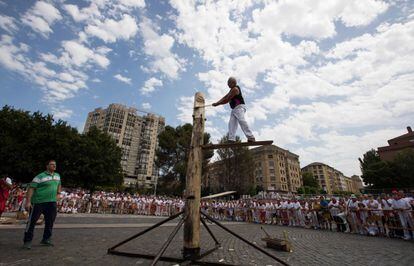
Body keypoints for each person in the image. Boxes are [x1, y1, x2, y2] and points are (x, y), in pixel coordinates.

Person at [23, 160, 61, 249]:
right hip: (38, 202)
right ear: (47, 166)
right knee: (32, 222)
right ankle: (27, 241)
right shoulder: (40, 176)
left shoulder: (57, 176)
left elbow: (59, 184)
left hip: (52, 202)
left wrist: (58, 193)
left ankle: (46, 239)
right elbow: (31, 188)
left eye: (55, 164)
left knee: (50, 221)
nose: (54, 166)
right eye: (52, 164)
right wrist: (28, 202)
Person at [212, 77, 255, 142]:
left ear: (233, 83)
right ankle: (231, 139)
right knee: (231, 123)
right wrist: (217, 102)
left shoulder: (235, 89)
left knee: (241, 120)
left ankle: (251, 137)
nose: (227, 84)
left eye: (228, 83)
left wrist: (217, 104)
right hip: (234, 109)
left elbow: (226, 100)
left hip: (240, 107)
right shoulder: (231, 90)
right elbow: (224, 97)